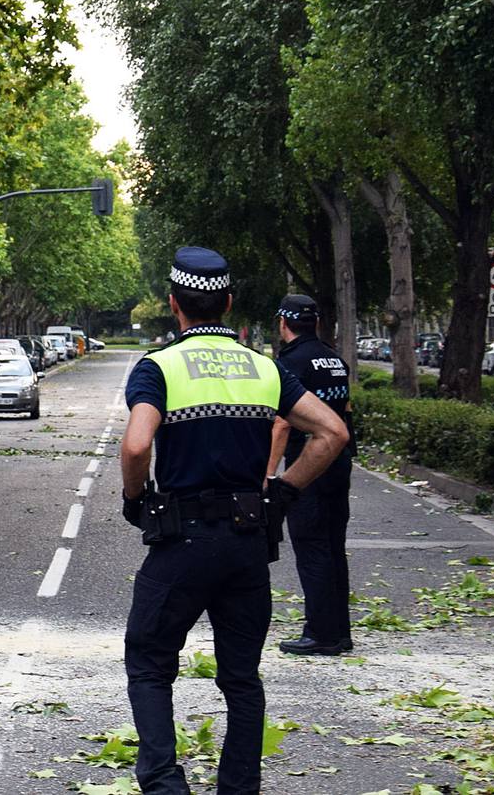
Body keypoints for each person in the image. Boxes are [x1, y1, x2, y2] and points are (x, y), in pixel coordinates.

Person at [119, 247, 350, 795]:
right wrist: (284, 493)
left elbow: (136, 444)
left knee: (150, 664)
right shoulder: (263, 368)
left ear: (174, 304)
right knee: (241, 678)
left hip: (181, 543)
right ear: (227, 303)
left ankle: (164, 782)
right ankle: (239, 787)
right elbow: (332, 434)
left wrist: (136, 499)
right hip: (247, 544)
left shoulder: (159, 367)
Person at [266, 294, 355, 656]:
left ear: (283, 323)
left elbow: (282, 424)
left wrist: (268, 474)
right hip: (339, 461)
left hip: (309, 464)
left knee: (311, 546)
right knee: (334, 546)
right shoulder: (334, 359)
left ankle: (320, 632)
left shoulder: (288, 363)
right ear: (315, 323)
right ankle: (340, 630)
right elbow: (345, 411)